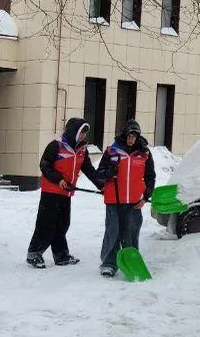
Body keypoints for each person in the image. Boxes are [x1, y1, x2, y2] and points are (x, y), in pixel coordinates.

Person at [26, 117, 101, 269]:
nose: (84, 136)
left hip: (66, 192)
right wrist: (58, 179)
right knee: (46, 224)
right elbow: (45, 165)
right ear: (74, 132)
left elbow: (89, 170)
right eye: (82, 133)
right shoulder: (56, 146)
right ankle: (34, 253)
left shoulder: (81, 150)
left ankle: (61, 255)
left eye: (85, 133)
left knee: (62, 224)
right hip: (51, 191)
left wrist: (102, 186)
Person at [93, 119, 156, 277]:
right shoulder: (112, 151)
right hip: (114, 200)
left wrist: (146, 197)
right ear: (124, 135)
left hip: (134, 202)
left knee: (131, 233)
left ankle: (132, 262)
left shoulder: (144, 153)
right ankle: (109, 263)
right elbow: (99, 174)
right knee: (112, 231)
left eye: (134, 136)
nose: (131, 139)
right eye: (129, 135)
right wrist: (109, 172)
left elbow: (150, 177)